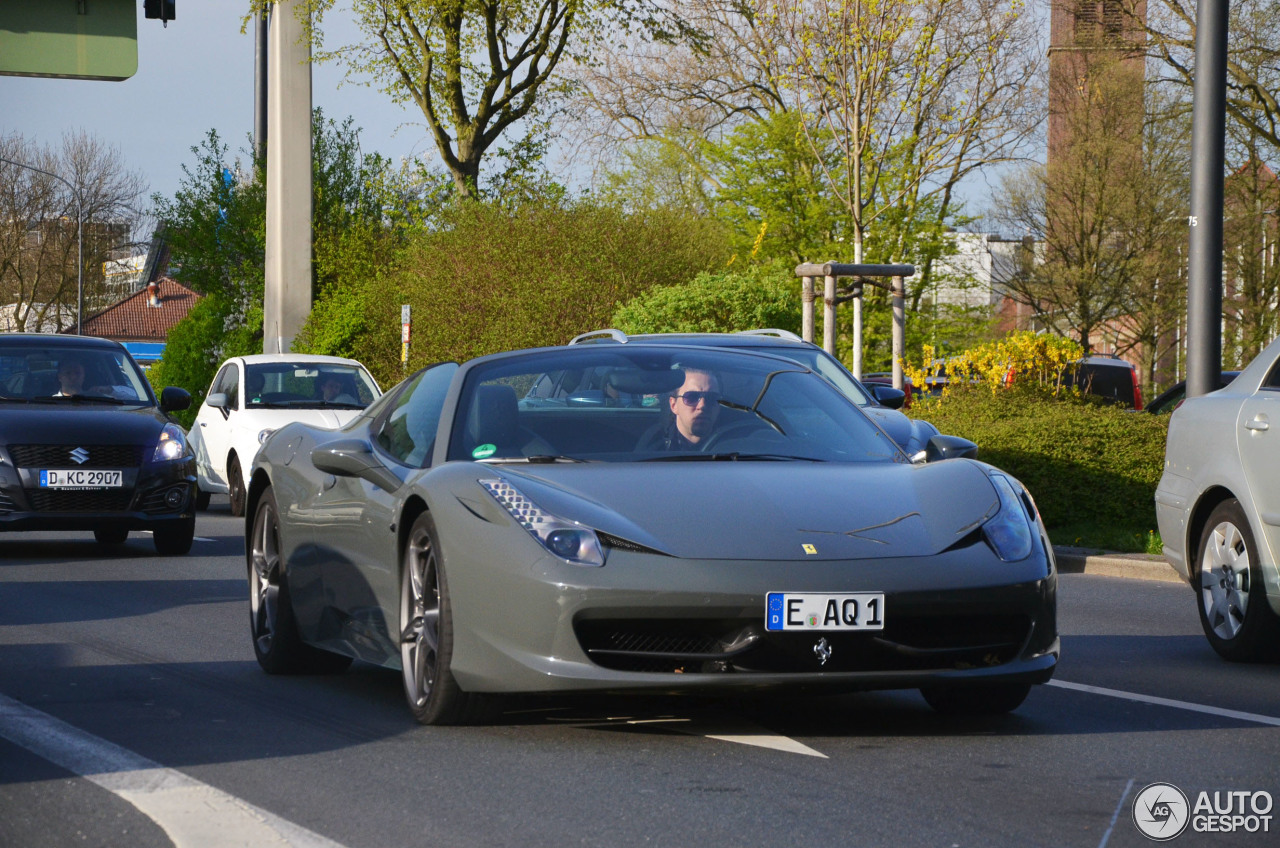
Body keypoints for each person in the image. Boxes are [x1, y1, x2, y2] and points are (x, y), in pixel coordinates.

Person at [639, 367, 722, 451]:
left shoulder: (733, 446)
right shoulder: (654, 445)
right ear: (673, 405)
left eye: (712, 398)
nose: (702, 405)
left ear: (718, 406)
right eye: (691, 397)